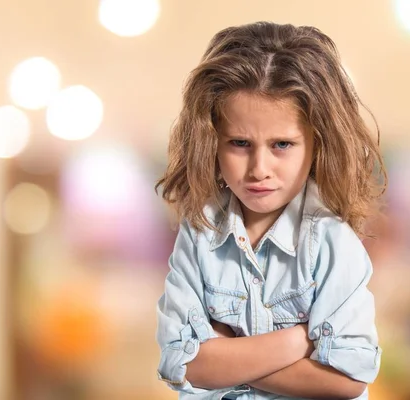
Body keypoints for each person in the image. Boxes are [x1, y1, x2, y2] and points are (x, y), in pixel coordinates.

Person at [155, 21, 387, 400]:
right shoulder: (198, 234)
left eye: (282, 144)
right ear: (211, 142)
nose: (259, 168)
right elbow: (183, 364)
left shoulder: (331, 240)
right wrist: (298, 340)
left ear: (317, 144)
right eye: (240, 142)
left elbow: (347, 380)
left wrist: (229, 359)